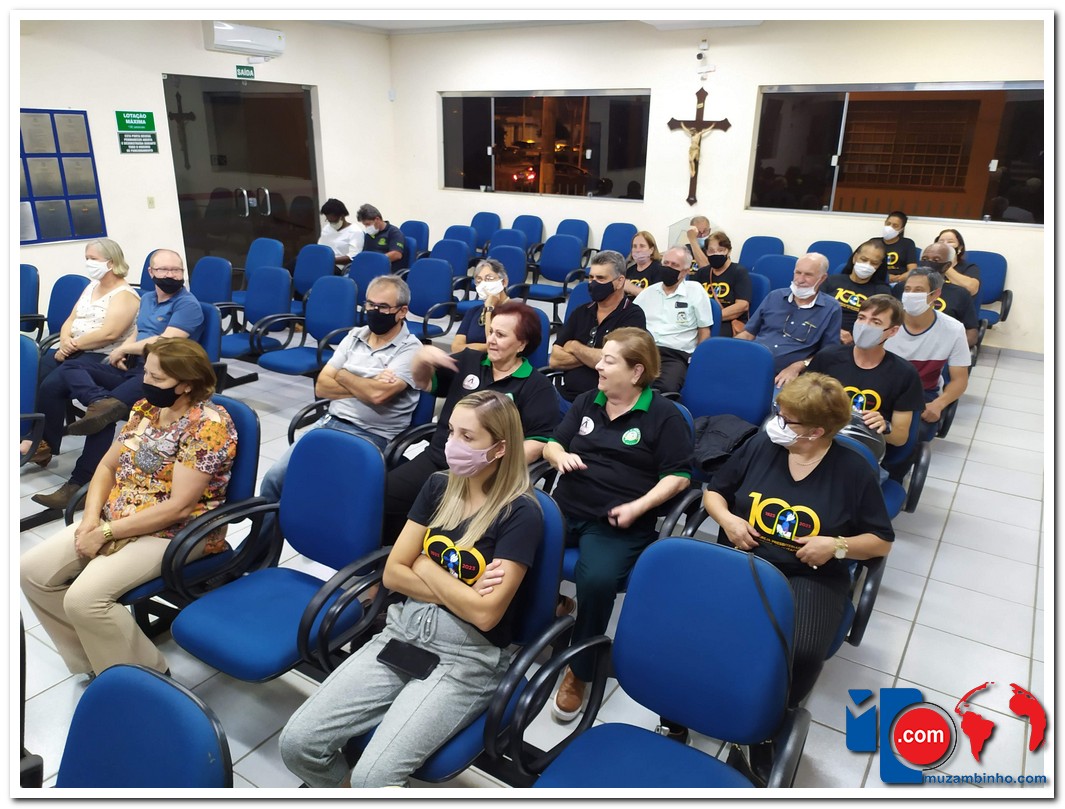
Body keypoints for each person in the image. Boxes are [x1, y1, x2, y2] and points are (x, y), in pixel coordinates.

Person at [279, 391, 543, 788]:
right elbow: (392, 575)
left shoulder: (520, 513)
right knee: (297, 744)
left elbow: (486, 615)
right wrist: (462, 589)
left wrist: (425, 564)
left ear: (500, 448)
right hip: (403, 633)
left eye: (468, 437)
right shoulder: (438, 486)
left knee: (373, 779)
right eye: (451, 431)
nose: (453, 444)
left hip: (466, 658)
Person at [20, 338, 237, 678]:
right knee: (31, 572)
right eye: (146, 373)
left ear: (187, 384)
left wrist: (106, 532)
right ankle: (97, 663)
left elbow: (179, 508)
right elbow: (107, 466)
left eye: (157, 378)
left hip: (178, 532)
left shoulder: (208, 427)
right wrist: (90, 520)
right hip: (120, 516)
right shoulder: (146, 409)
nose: (146, 382)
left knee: (84, 600)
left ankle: (147, 678)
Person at [703, 373, 893, 707]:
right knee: (705, 626)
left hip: (811, 575)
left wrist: (836, 546)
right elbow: (715, 493)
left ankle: (777, 712)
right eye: (778, 413)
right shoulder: (762, 445)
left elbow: (881, 541)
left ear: (815, 431)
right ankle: (699, 698)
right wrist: (728, 520)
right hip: (745, 560)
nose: (776, 423)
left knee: (800, 650)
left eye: (786, 419)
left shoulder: (853, 470)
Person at [545, 328, 692, 722]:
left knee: (596, 580)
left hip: (616, 519)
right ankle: (548, 608)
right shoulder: (587, 400)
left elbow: (679, 477)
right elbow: (553, 443)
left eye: (609, 361)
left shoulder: (664, 416)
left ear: (636, 371)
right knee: (514, 538)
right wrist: (559, 457)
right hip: (567, 506)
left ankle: (580, 670)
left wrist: (638, 507)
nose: (599, 366)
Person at [31, 250, 205, 511]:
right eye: (164, 270)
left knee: (103, 416)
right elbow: (139, 331)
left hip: (162, 374)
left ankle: (80, 483)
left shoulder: (187, 304)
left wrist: (124, 349)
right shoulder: (148, 298)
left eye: (176, 270)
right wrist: (125, 349)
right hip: (134, 367)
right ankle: (96, 401)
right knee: (71, 368)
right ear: (151, 273)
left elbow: (164, 342)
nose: (171, 275)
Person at [381, 301, 560, 544]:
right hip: (439, 459)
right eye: (491, 332)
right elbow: (425, 382)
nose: (491, 340)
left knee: (454, 532)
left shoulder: (537, 387)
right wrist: (421, 360)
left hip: (486, 476)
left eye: (501, 335)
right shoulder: (469, 360)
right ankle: (392, 555)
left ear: (522, 344)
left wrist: (488, 461)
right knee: (382, 498)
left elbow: (537, 443)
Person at [258, 276, 422, 536]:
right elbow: (322, 387)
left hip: (373, 435)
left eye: (382, 307)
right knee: (274, 479)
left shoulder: (411, 350)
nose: (373, 311)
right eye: (369, 304)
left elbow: (378, 396)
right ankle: (259, 551)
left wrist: (343, 374)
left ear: (402, 311)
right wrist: (365, 383)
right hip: (330, 422)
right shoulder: (354, 336)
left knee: (328, 494)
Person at [24, 239, 140, 467]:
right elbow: (71, 319)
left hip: (100, 355)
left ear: (111, 262)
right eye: (87, 258)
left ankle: (44, 444)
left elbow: (110, 333)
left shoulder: (125, 295)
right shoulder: (92, 286)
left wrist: (71, 346)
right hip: (74, 348)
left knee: (52, 385)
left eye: (93, 259)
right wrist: (64, 339)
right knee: (33, 374)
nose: (88, 263)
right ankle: (30, 435)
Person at [807, 295, 924, 450]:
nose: (865, 326)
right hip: (818, 440)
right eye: (861, 318)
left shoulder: (904, 374)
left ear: (892, 331)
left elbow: (900, 438)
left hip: (865, 448)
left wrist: (883, 427)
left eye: (876, 322)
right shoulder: (827, 357)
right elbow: (800, 403)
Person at [884, 267, 970, 441]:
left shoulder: (953, 329)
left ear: (935, 294)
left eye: (918, 290)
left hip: (922, 393)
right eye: (907, 290)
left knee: (909, 435)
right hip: (882, 387)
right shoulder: (886, 321)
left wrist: (939, 404)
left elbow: (960, 380)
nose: (910, 295)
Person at [549, 250, 647, 401]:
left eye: (601, 278)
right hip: (567, 396)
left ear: (620, 281)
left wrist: (575, 347)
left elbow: (619, 363)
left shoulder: (633, 315)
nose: (593, 283)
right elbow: (555, 360)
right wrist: (595, 356)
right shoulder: (581, 312)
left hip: (607, 401)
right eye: (591, 277)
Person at [738, 252, 842, 387]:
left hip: (787, 378)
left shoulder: (831, 308)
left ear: (822, 278)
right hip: (752, 362)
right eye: (798, 273)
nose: (800, 279)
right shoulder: (774, 296)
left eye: (808, 275)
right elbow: (748, 334)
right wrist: (729, 350)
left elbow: (828, 355)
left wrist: (799, 366)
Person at [633, 246, 713, 393]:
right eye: (666, 263)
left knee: (663, 389)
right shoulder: (648, 293)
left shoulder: (695, 291)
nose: (668, 268)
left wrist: (697, 360)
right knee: (623, 382)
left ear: (686, 271)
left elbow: (704, 330)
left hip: (675, 355)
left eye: (674, 265)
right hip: (645, 351)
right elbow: (631, 324)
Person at [894, 244, 980, 348]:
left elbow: (972, 333)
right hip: (903, 345)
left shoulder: (959, 293)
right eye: (924, 259)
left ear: (947, 266)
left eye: (936, 260)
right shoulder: (901, 288)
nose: (928, 263)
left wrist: (951, 348)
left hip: (942, 348)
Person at [818, 238, 891, 343]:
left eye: (874, 263)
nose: (867, 265)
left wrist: (853, 338)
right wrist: (834, 330)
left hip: (854, 342)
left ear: (879, 265)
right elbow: (816, 310)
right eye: (864, 259)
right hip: (822, 331)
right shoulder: (832, 280)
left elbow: (878, 324)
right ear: (855, 258)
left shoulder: (881, 292)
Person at [689, 230, 752, 337]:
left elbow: (742, 306)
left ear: (729, 251)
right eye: (711, 251)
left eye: (720, 250)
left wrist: (711, 317)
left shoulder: (739, 272)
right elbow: (690, 298)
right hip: (701, 321)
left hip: (726, 321)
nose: (716, 254)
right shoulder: (702, 273)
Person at [451, 259, 510, 353]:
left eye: (489, 279)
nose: (483, 284)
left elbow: (493, 346)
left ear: (504, 282)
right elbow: (456, 347)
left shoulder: (515, 313)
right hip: (469, 360)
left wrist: (489, 309)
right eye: (479, 280)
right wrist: (484, 347)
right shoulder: (473, 311)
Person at [318, 198, 363, 269]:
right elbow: (320, 248)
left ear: (342, 216)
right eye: (329, 220)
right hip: (325, 263)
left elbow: (353, 256)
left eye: (333, 221)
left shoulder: (355, 231)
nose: (331, 223)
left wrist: (330, 260)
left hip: (342, 267)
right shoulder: (327, 228)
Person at [935, 228, 981, 298]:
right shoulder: (929, 265)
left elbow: (971, 289)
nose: (944, 244)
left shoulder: (970, 268)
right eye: (941, 241)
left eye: (950, 242)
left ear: (960, 247)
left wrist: (944, 265)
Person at [881, 210, 919, 283]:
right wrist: (886, 278)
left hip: (899, 281)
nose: (890, 227)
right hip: (878, 280)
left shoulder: (908, 244)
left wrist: (897, 279)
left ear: (901, 229)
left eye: (895, 226)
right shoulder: (874, 242)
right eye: (888, 224)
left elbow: (913, 270)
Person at [623, 230, 664, 296]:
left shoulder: (659, 269)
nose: (637, 250)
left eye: (642, 246)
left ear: (651, 250)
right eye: (634, 246)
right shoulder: (629, 270)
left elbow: (656, 297)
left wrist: (632, 288)